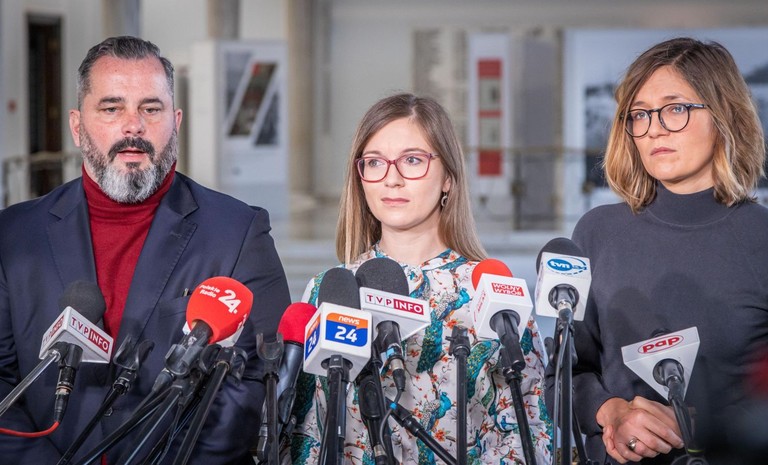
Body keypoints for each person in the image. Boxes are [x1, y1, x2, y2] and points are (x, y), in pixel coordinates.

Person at [0, 36, 291, 463]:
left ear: (175, 121)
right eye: (112, 108)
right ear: (77, 126)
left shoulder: (238, 233)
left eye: (151, 109)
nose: (133, 125)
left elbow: (257, 383)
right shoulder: (13, 235)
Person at [289, 93, 552, 463]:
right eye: (375, 162)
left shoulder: (488, 288)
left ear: (448, 178)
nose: (392, 179)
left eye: (412, 160)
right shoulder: (330, 289)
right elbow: (306, 433)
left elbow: (533, 428)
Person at [548, 37, 768, 464]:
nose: (654, 128)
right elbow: (563, 376)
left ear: (723, 115)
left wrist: (698, 426)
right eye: (640, 114)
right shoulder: (597, 232)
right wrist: (610, 413)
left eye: (675, 109)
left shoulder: (760, 237)